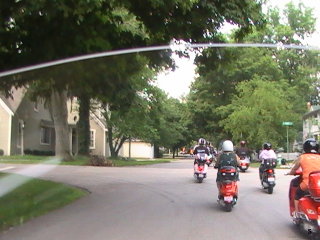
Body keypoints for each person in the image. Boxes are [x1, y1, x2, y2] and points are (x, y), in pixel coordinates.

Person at [287, 138, 320, 217]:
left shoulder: (302, 157)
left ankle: (297, 214)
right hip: (318, 184)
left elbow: (295, 169)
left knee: (297, 195)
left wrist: (290, 173)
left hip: (307, 184)